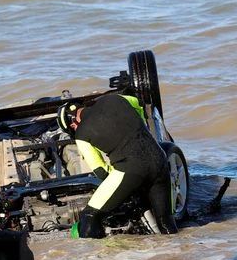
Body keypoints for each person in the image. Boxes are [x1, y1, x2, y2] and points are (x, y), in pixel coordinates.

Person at [57, 93, 178, 238]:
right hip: (159, 160)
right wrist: (143, 128)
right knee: (165, 221)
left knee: (89, 216)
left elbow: (101, 171)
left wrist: (124, 187)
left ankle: (100, 259)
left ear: (72, 124)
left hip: (131, 170)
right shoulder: (115, 98)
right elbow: (139, 103)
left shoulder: (81, 134)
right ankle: (177, 253)